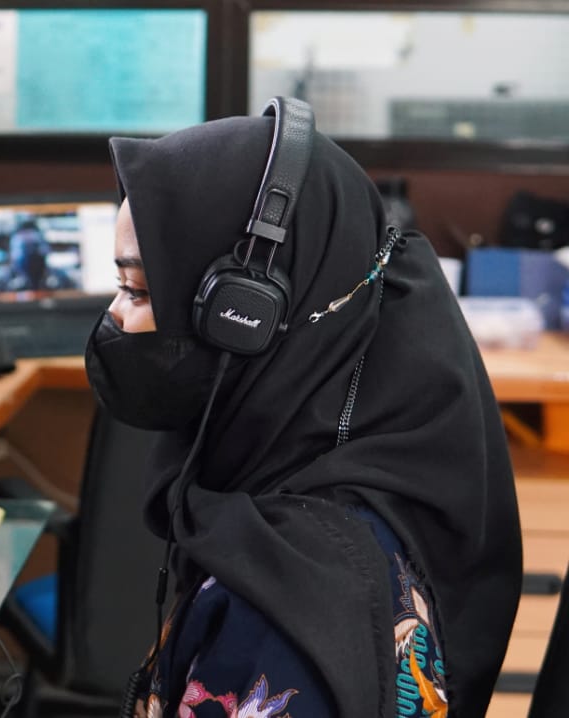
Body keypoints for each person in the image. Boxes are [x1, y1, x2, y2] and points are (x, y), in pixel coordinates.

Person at [83, 99, 522, 717]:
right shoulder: (357, 475)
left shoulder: (282, 612)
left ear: (244, 316)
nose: (114, 317)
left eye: (137, 289)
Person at [0, 221, 77, 293]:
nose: (30, 253)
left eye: (35, 246)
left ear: (46, 248)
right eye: (24, 248)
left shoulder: (62, 279)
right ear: (12, 252)